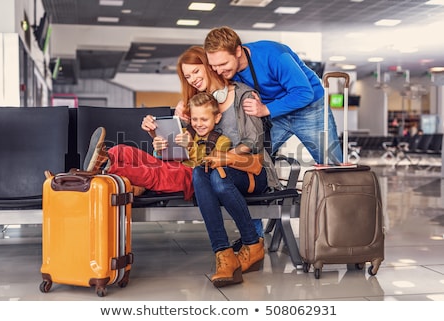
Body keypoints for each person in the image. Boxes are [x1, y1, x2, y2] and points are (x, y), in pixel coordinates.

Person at [143, 46, 280, 288]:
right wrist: (159, 134)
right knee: (201, 172)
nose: (193, 79)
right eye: (187, 76)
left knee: (217, 176)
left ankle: (251, 243)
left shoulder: (243, 96)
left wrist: (222, 157)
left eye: (197, 71)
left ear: (209, 65)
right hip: (210, 168)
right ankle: (225, 254)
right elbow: (186, 154)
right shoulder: (191, 107)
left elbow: (254, 143)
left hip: (252, 170)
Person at [197, 26, 343, 165]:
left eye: (223, 64)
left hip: (309, 109)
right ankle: (270, 189)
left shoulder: (274, 55)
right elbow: (208, 91)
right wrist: (184, 106)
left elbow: (304, 93)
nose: (218, 71)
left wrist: (265, 109)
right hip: (274, 114)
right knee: (252, 159)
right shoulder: (222, 69)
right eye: (213, 66)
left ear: (238, 51)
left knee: (331, 163)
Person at [84, 92, 231, 201]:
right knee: (124, 150)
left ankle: (106, 167)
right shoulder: (185, 131)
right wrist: (159, 147)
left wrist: (191, 147)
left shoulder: (222, 141)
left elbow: (208, 167)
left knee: (151, 173)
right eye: (194, 119)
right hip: (170, 165)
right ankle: (106, 156)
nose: (198, 124)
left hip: (189, 177)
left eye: (204, 119)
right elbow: (160, 157)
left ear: (217, 118)